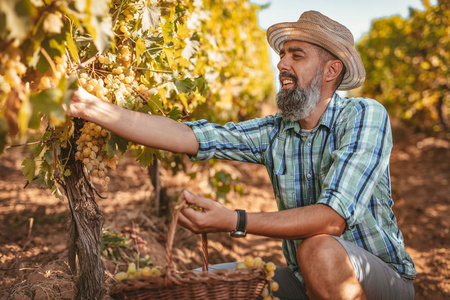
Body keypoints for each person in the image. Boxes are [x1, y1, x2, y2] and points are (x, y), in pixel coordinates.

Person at [69, 10, 416, 300]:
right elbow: (189, 136)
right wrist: (91, 106)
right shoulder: (276, 131)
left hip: (379, 281)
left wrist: (236, 220)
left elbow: (332, 220)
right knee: (195, 286)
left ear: (331, 71)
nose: (281, 63)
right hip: (305, 279)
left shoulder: (364, 115)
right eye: (282, 54)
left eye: (296, 55)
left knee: (318, 248)